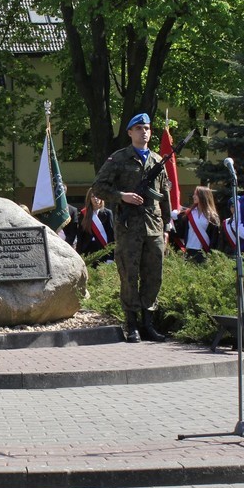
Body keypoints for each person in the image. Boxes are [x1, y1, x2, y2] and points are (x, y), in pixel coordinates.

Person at [93, 112, 170, 343]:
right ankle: (132, 324)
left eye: (146, 128)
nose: (143, 132)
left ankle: (148, 323)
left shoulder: (158, 160)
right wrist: (122, 196)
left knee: (153, 276)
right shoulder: (118, 158)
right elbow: (98, 187)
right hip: (129, 228)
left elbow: (165, 196)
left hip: (154, 227)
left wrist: (167, 227)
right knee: (129, 275)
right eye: (138, 128)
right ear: (129, 132)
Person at [175, 186, 220, 263]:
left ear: (203, 196)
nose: (193, 196)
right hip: (189, 250)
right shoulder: (189, 213)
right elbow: (181, 232)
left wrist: (212, 255)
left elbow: (215, 238)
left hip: (204, 252)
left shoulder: (212, 217)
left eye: (196, 194)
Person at [75, 187, 114, 262]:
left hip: (103, 250)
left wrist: (110, 257)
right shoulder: (84, 214)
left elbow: (111, 236)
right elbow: (80, 236)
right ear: (89, 199)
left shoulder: (108, 213)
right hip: (87, 251)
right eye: (93, 196)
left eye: (98, 196)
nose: (96, 199)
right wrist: (78, 255)